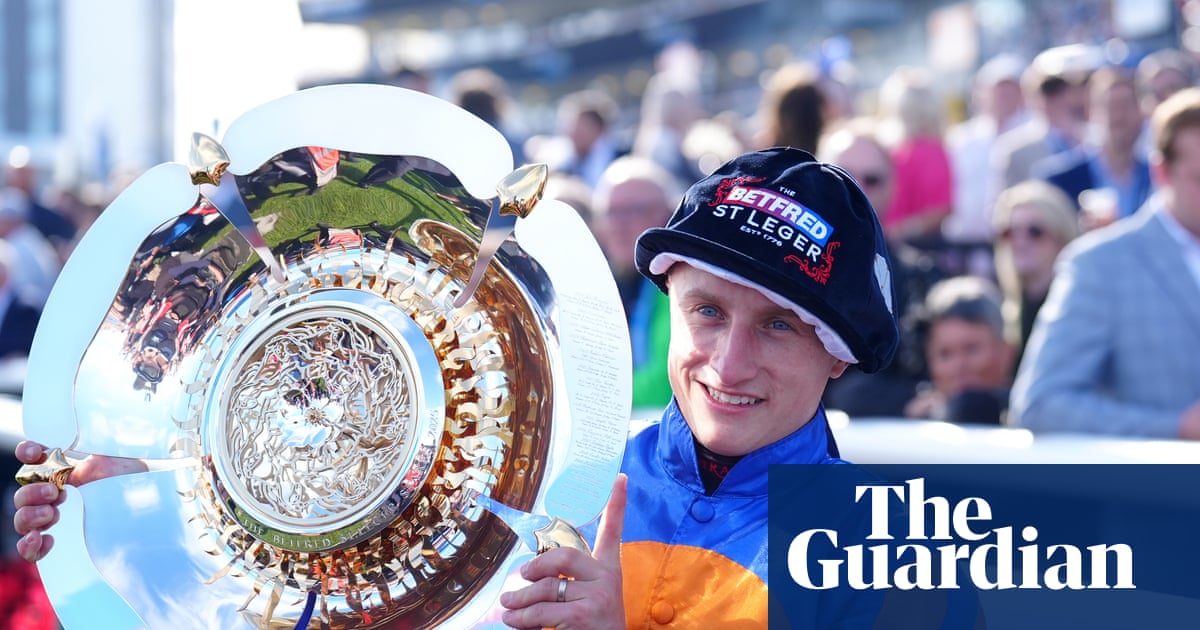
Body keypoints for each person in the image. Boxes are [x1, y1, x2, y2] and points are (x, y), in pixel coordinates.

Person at [16, 149, 980, 627]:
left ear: (839, 355)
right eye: (708, 313)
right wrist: (140, 504)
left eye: (778, 327)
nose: (728, 365)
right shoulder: (560, 470)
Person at [1009, 88, 1200, 439]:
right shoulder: (1099, 266)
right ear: (1162, 172)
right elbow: (1041, 406)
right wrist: (1174, 427)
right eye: (1199, 177)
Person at [990, 179, 1080, 366]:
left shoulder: (1079, 310)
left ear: (1061, 237)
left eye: (1034, 232)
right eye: (1009, 232)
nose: (1019, 242)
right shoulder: (1005, 315)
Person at [904, 276, 1014, 424]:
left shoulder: (1033, 417)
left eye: (971, 349)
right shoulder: (914, 428)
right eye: (945, 354)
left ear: (1006, 352)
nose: (959, 366)